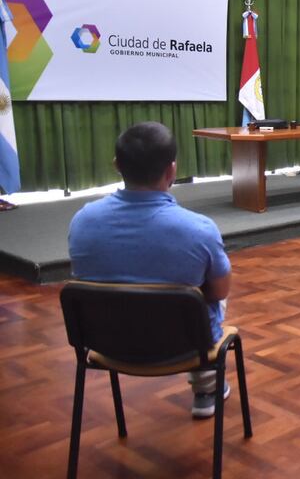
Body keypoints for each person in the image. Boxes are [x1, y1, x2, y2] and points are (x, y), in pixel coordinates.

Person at [68, 122, 232, 418]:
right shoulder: (200, 230)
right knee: (212, 296)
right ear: (172, 170)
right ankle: (207, 388)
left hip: (107, 344)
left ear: (118, 165)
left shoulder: (82, 222)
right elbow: (219, 291)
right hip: (183, 346)